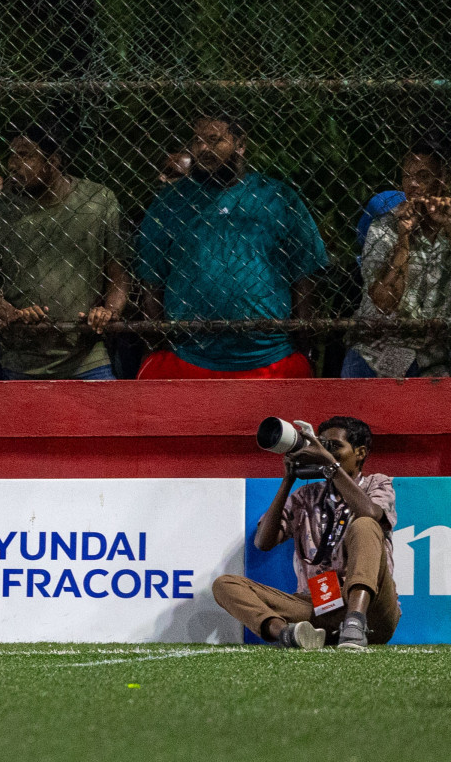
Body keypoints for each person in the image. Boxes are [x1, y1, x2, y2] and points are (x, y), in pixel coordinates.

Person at [136, 113, 328, 379]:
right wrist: (155, 346)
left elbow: (304, 274)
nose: (203, 148)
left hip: (271, 356)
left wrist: (304, 346)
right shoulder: (171, 202)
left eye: (214, 140)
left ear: (239, 144)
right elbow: (152, 280)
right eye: (197, 140)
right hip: (189, 354)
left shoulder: (276, 197)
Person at [214, 416, 399, 650]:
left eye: (334, 446)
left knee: (364, 525)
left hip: (373, 612)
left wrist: (330, 465)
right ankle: (288, 634)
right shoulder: (306, 496)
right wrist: (288, 479)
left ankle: (354, 623)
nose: (324, 451)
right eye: (320, 444)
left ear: (360, 453)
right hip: (319, 608)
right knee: (225, 585)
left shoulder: (377, 484)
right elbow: (263, 542)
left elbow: (370, 513)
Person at [0, 125, 129, 380]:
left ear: (52, 161)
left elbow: (117, 273)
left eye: (25, 155)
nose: (13, 164)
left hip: (86, 358)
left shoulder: (97, 201)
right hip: (22, 361)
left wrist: (109, 311)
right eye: (11, 155)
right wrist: (12, 313)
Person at [344, 140, 451, 378]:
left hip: (433, 364)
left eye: (423, 176)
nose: (412, 184)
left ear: (443, 180)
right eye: (407, 176)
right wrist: (403, 239)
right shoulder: (385, 227)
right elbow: (384, 301)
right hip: (376, 358)